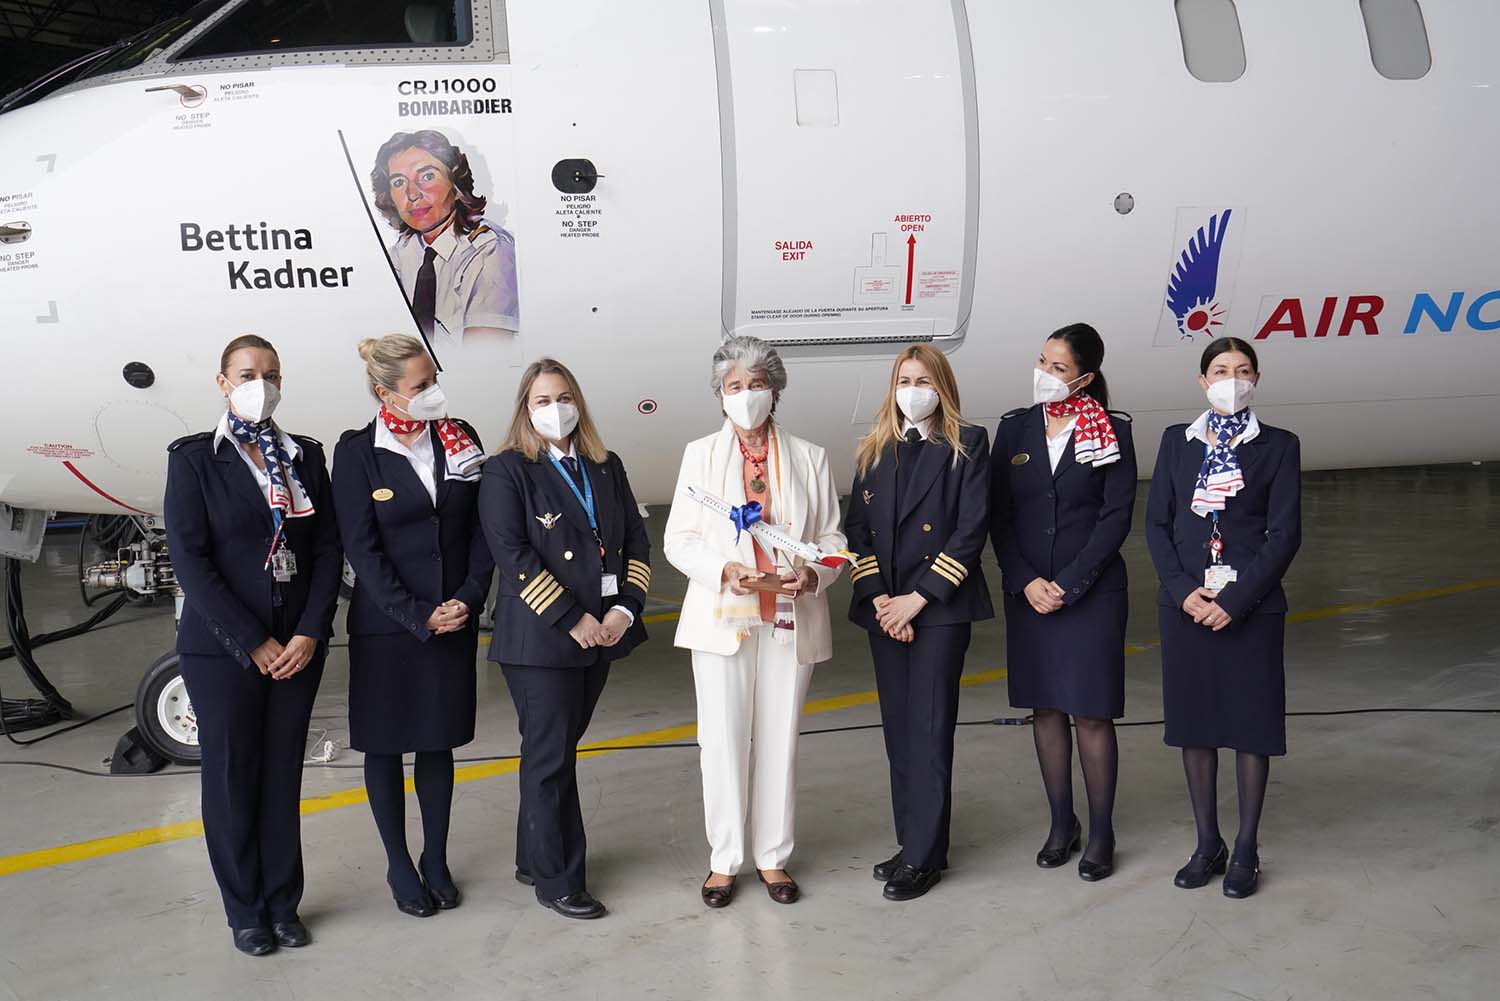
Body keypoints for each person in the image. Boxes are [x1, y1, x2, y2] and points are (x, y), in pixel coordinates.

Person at [163, 334, 341, 956]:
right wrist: (254, 639)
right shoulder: (193, 460)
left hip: (295, 646)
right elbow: (190, 560)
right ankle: (245, 911)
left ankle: (283, 904)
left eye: (270, 373)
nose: (258, 383)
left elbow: (325, 552)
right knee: (233, 778)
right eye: (245, 373)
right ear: (222, 382)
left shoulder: (304, 458)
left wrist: (309, 631)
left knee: (280, 775)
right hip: (224, 650)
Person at [663, 335, 847, 909]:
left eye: (757, 385)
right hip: (724, 618)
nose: (746, 396)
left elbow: (833, 539)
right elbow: (679, 540)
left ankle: (773, 857)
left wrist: (815, 576)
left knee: (779, 740)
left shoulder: (811, 456)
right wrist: (724, 569)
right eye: (734, 387)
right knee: (719, 740)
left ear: (776, 389)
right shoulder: (699, 455)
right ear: (720, 395)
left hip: (790, 615)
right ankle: (724, 860)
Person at [478, 358, 651, 919]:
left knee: (551, 751)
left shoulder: (605, 465)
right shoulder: (508, 470)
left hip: (602, 632)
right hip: (542, 639)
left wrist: (624, 610)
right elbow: (514, 556)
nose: (555, 409)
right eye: (541, 401)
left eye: (563, 397)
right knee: (551, 757)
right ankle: (559, 881)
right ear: (525, 411)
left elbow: (636, 544)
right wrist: (574, 618)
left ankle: (534, 855)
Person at [331, 335, 494, 918]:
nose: (434, 393)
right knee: (384, 746)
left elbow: (482, 529)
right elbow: (362, 549)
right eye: (421, 386)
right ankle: (399, 863)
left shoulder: (460, 438)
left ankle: (437, 858)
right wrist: (414, 611)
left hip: (453, 617)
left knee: (437, 741)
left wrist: (469, 598)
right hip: (388, 626)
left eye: (435, 380)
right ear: (386, 393)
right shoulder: (356, 453)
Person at [1146, 336, 1301, 899]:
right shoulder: (1176, 442)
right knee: (1196, 726)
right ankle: (1206, 841)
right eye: (1219, 369)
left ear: (1256, 379)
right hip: (1185, 609)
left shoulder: (1280, 446)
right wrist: (1185, 591)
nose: (1230, 379)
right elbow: (1157, 527)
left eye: (1241, 370)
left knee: (1251, 728)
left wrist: (1234, 601)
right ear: (1201, 379)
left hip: (1251, 610)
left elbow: (1284, 536)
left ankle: (1246, 848)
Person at [845, 344, 993, 901]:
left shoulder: (968, 445)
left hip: (939, 608)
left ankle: (926, 857)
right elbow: (857, 533)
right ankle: (913, 842)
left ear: (942, 386)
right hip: (887, 610)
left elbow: (970, 533)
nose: (913, 389)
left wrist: (918, 600)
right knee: (899, 733)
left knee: (929, 732)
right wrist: (882, 599)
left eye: (923, 379)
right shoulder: (873, 449)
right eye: (904, 379)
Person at [990, 323, 1137, 882]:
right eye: (1042, 362)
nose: (1045, 375)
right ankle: (1061, 823)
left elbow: (1115, 516)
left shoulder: (1111, 432)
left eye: (1058, 368)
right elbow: (999, 515)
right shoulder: (1016, 429)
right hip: (1029, 593)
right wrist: (1025, 580)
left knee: (1091, 713)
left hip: (1091, 592)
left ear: (1085, 378)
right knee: (1046, 709)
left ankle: (1101, 831)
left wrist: (1071, 583)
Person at [371, 129, 520, 349]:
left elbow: (486, 359)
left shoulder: (491, 251)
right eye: (399, 182)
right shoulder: (397, 256)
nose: (412, 194)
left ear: (455, 181)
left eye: (427, 176)